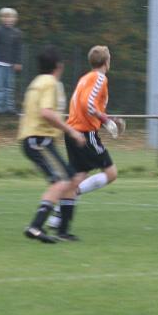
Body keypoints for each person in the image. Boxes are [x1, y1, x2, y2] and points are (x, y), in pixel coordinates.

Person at [18, 46, 88, 243]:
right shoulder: (50, 83)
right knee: (61, 182)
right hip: (38, 139)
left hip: (38, 139)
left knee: (71, 180)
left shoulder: (36, 82)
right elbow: (46, 113)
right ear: (59, 65)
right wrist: (71, 131)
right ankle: (36, 226)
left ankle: (62, 230)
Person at [56, 45, 124, 241]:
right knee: (111, 173)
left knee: (76, 178)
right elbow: (88, 104)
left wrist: (107, 119)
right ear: (106, 61)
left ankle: (59, 225)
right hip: (85, 134)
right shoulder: (100, 78)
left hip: (73, 132)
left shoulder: (85, 78)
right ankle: (71, 199)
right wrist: (105, 120)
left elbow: (85, 107)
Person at [0, 7, 23, 114]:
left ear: (15, 19)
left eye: (11, 17)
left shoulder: (17, 33)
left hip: (10, 65)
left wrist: (18, 62)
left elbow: (18, 49)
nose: (8, 19)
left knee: (9, 87)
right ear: (1, 18)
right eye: (6, 17)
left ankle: (9, 108)